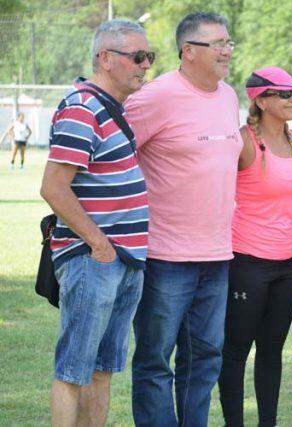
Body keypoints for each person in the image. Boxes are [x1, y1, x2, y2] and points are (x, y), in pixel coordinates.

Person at [124, 12, 242, 426]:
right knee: (156, 361)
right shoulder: (155, 97)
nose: (228, 50)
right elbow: (113, 157)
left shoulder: (228, 96)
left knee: (205, 358)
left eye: (230, 42)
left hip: (217, 254)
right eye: (218, 44)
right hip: (164, 256)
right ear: (188, 51)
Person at [40, 19, 152, 426]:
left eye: (149, 57)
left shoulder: (109, 109)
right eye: (137, 57)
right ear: (105, 58)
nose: (145, 65)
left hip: (123, 261)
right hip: (95, 260)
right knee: (74, 370)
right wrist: (100, 246)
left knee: (102, 370)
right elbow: (54, 187)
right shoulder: (82, 108)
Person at [216, 67, 292, 427]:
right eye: (284, 93)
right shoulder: (242, 142)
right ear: (261, 99)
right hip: (247, 262)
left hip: (288, 264)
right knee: (237, 351)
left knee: (272, 353)